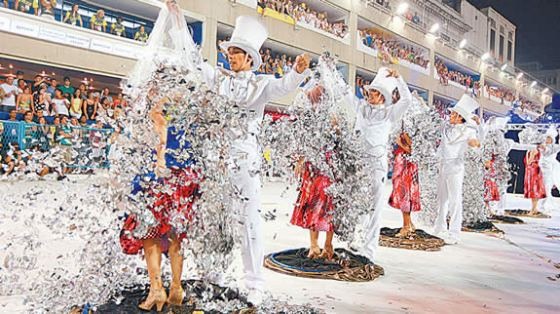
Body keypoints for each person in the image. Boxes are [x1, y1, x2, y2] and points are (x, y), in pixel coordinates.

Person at [194, 10, 311, 305]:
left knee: (248, 222)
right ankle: (213, 274)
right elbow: (193, 62)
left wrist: (297, 72)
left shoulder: (261, 85)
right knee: (214, 218)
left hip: (246, 162)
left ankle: (255, 282)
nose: (231, 56)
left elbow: (285, 86)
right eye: (230, 51)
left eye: (237, 52)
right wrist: (175, 20)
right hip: (216, 161)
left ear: (249, 58)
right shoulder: (219, 80)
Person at [434, 95, 481, 244]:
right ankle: (439, 227)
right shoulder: (446, 128)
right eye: (452, 113)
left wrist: (475, 141)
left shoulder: (468, 131)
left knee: (455, 201)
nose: (451, 116)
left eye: (454, 114)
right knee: (441, 200)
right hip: (443, 166)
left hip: (455, 168)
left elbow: (475, 142)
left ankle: (454, 233)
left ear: (461, 118)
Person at [388, 130, 420, 237]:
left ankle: (406, 226)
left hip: (406, 163)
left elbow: (411, 148)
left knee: (404, 194)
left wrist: (399, 141)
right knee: (401, 193)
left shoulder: (411, 125)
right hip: (402, 161)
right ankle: (409, 223)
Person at [539, 126, 560, 214]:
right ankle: (544, 205)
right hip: (543, 169)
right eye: (546, 138)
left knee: (547, 187)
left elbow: (548, 152)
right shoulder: (542, 146)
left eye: (549, 138)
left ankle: (545, 205)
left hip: (551, 168)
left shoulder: (555, 147)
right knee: (545, 188)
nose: (547, 140)